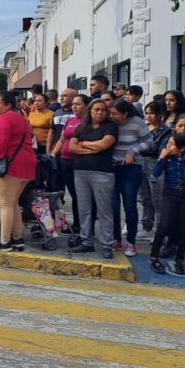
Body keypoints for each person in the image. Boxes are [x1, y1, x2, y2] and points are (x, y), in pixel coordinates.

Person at [0, 91, 37, 252]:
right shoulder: (21, 118)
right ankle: (17, 238)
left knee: (5, 204)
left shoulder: (5, 119)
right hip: (26, 163)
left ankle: (5, 241)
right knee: (13, 203)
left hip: (11, 165)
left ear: (8, 105)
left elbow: (1, 143)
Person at [148, 132, 185, 275]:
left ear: (182, 148)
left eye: (171, 145)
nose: (168, 147)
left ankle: (180, 260)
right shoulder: (167, 159)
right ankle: (154, 257)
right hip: (170, 195)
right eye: (167, 144)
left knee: (183, 228)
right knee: (163, 226)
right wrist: (161, 158)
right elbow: (155, 174)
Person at [69, 99, 118, 258]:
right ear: (90, 111)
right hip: (81, 172)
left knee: (104, 210)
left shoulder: (110, 127)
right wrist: (92, 149)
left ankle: (106, 244)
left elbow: (103, 145)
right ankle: (86, 242)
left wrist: (84, 145)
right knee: (84, 209)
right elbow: (71, 147)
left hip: (102, 173)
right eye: (96, 109)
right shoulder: (82, 126)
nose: (100, 112)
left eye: (103, 110)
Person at [109, 99, 151, 257]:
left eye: (115, 114)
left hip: (131, 168)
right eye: (110, 113)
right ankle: (116, 239)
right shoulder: (109, 123)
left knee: (129, 204)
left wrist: (132, 151)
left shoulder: (137, 122)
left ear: (125, 113)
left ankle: (131, 242)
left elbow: (148, 140)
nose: (111, 116)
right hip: (112, 167)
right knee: (113, 205)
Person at [52, 94, 90, 244]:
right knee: (68, 194)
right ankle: (72, 224)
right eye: (73, 104)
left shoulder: (88, 122)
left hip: (79, 162)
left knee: (78, 195)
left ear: (86, 106)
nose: (74, 107)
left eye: (78, 104)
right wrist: (53, 154)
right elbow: (62, 139)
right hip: (64, 161)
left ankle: (80, 225)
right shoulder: (70, 120)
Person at [138, 101, 169, 237]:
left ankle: (159, 230)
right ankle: (147, 226)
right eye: (147, 113)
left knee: (157, 200)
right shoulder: (143, 128)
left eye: (152, 113)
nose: (149, 116)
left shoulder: (166, 131)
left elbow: (156, 149)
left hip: (155, 165)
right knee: (145, 198)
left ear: (160, 115)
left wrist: (138, 147)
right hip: (140, 165)